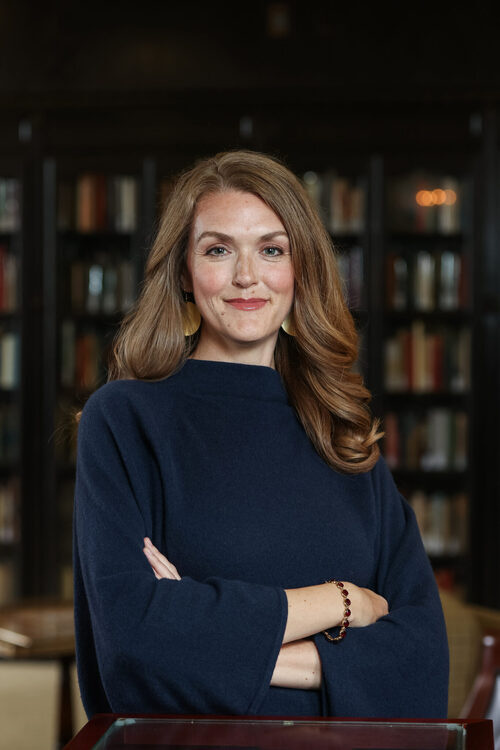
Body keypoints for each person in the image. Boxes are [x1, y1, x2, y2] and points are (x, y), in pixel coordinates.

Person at [73, 149, 449, 720]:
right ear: (183, 270)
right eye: (218, 250)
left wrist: (210, 643)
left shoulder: (341, 430)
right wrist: (343, 601)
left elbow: (422, 665)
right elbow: (131, 652)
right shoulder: (125, 420)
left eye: (272, 250)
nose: (246, 276)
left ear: (300, 270)